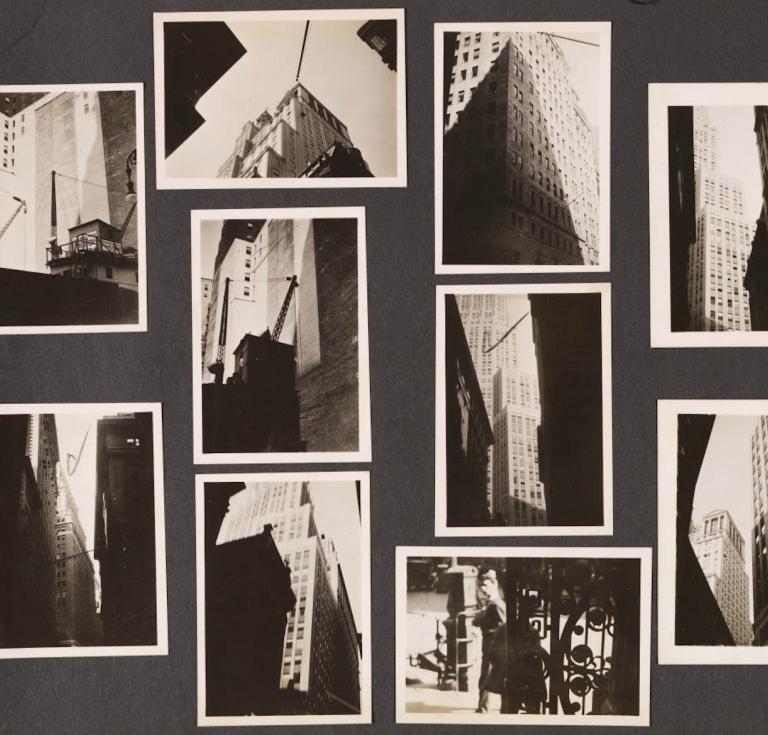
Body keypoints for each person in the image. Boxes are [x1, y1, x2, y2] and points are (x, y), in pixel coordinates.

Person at [472, 570, 506, 712]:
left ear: (494, 585)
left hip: (500, 641)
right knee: (485, 673)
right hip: (487, 641)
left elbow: (505, 619)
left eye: (486, 586)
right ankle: (483, 706)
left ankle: (506, 706)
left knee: (504, 673)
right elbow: (476, 621)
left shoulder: (499, 602)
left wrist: (495, 602)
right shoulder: (486, 602)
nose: (483, 589)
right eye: (482, 586)